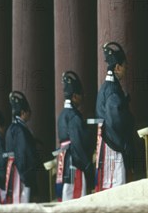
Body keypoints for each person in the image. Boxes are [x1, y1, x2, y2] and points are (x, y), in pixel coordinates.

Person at [95, 42, 136, 190]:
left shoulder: (105, 88)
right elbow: (116, 121)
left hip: (108, 143)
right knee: (117, 186)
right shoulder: (112, 90)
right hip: (114, 146)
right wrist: (124, 146)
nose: (125, 69)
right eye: (124, 66)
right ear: (117, 67)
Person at [56, 71, 93, 201]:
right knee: (75, 195)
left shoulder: (61, 115)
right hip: (73, 163)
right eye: (81, 95)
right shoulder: (73, 116)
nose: (82, 98)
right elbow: (77, 142)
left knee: (66, 193)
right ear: (75, 96)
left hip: (64, 162)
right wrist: (87, 164)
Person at [5, 91, 40, 203]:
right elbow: (23, 153)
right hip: (22, 172)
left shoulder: (10, 129)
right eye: (29, 112)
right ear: (23, 112)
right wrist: (28, 177)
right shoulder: (21, 130)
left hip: (12, 171)